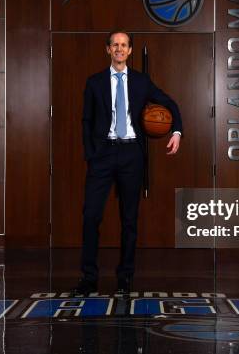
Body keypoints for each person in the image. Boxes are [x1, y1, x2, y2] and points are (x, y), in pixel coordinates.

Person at [72, 30, 183, 296]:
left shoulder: (142, 82)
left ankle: (125, 278)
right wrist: (91, 154)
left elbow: (170, 103)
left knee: (129, 220)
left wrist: (176, 131)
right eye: (115, 45)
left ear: (130, 50)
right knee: (91, 217)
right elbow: (86, 121)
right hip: (103, 155)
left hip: (131, 155)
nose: (119, 49)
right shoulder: (94, 82)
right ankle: (89, 279)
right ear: (108, 49)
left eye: (124, 45)